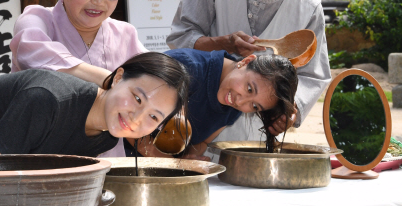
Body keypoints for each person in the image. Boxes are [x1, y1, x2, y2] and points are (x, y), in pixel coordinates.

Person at [166, 0, 331, 141]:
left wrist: (291, 109)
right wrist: (222, 44)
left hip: (257, 139)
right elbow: (180, 37)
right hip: (199, 125)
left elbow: (314, 75)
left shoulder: (308, 6)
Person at [10, 0, 146, 157]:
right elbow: (34, 55)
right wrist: (110, 79)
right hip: (42, 164)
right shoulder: (38, 20)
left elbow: (153, 79)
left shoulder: (125, 34)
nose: (100, 2)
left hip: (108, 168)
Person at [0, 52, 189, 158]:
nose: (136, 117)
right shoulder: (49, 99)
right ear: (118, 77)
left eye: (154, 118)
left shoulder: (106, 137)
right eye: (138, 98)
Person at [125, 48, 298, 159]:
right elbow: (129, 119)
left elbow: (202, 143)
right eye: (249, 89)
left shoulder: (233, 107)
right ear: (246, 61)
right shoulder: (184, 67)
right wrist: (174, 166)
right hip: (115, 158)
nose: (241, 101)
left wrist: (190, 158)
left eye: (255, 106)